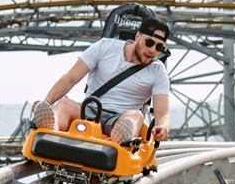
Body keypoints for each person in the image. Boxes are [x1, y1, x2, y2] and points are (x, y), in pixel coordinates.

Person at [31, 17, 172, 144]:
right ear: (137, 36)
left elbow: (162, 112)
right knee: (64, 103)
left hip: (120, 118)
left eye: (159, 47)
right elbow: (70, 78)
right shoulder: (105, 47)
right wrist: (47, 102)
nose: (152, 50)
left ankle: (120, 140)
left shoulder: (158, 71)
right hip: (89, 110)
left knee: (136, 116)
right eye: (149, 43)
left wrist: (163, 126)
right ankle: (51, 127)